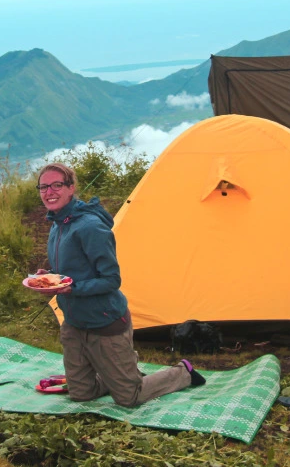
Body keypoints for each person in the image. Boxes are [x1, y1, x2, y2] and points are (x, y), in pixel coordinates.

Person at [32, 163, 206, 407]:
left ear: (71, 188)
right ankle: (118, 376)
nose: (49, 192)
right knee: (81, 394)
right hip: (73, 322)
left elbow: (111, 279)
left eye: (57, 185)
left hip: (104, 322)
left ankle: (182, 372)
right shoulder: (58, 223)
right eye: (43, 187)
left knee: (130, 397)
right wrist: (49, 276)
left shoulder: (90, 227)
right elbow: (72, 271)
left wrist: (73, 288)